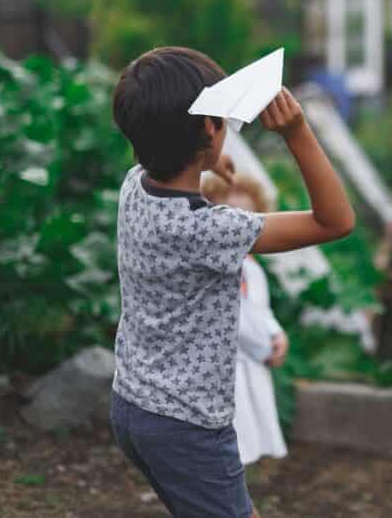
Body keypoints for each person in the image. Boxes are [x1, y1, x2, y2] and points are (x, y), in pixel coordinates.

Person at [108, 46, 355, 518]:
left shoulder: (133, 186)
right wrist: (297, 132)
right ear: (207, 129)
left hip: (133, 406)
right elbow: (335, 221)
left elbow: (164, 161)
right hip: (187, 427)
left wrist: (206, 160)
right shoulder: (213, 229)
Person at [200, 173, 289, 467]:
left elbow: (261, 310)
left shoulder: (253, 268)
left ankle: (244, 485)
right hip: (225, 368)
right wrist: (262, 345)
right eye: (231, 216)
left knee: (253, 427)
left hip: (253, 363)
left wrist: (276, 334)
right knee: (232, 437)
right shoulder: (215, 266)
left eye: (249, 217)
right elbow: (231, 316)